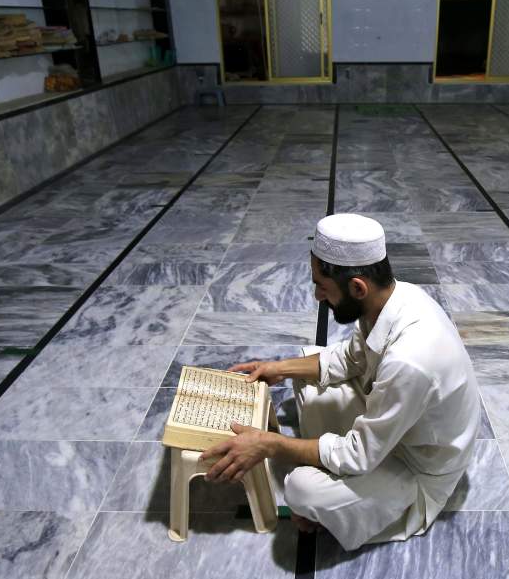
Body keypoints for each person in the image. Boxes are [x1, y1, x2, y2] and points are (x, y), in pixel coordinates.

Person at [199, 213, 481, 551]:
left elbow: (359, 455)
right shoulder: (394, 297)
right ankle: (333, 487)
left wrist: (269, 445)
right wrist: (279, 367)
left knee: (301, 489)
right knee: (306, 369)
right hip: (396, 428)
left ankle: (358, 505)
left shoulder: (410, 360)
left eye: (322, 285)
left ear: (357, 287)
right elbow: (350, 357)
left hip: (417, 469)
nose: (318, 296)